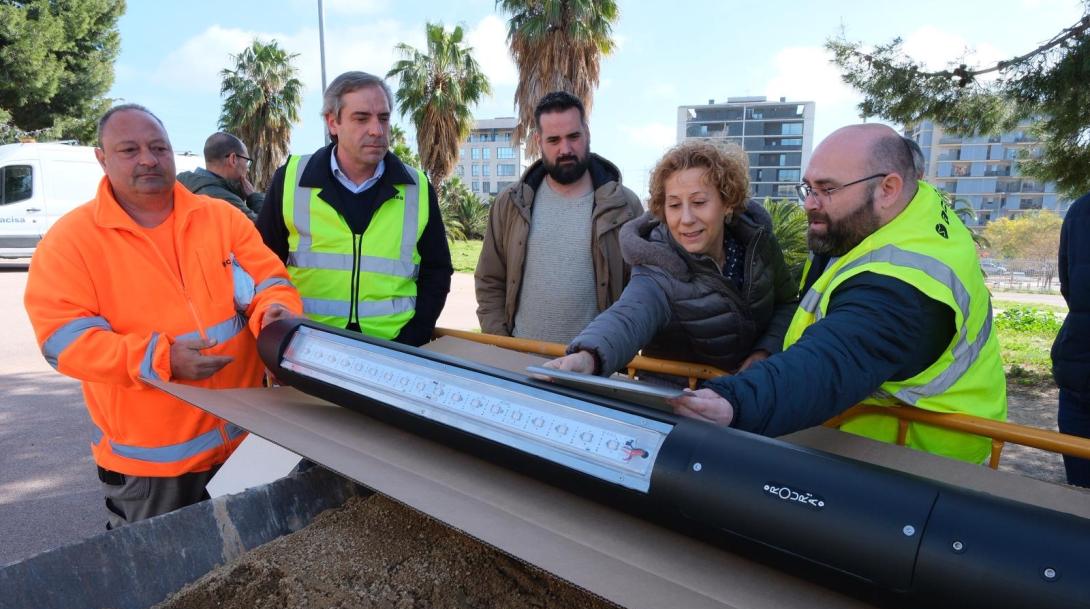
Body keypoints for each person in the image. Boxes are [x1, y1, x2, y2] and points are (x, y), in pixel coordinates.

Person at [24, 104, 302, 528]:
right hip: (153, 469)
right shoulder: (71, 242)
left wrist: (276, 316)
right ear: (102, 158)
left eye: (159, 147)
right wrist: (162, 359)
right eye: (129, 149)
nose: (148, 159)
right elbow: (63, 342)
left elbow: (271, 283)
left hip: (247, 437)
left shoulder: (222, 219)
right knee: (170, 580)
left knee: (252, 560)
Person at [671, 124, 1007, 465]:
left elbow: (831, 361)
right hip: (871, 450)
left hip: (922, 467)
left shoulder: (906, 285)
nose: (810, 204)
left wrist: (735, 400)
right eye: (808, 188)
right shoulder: (888, 219)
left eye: (827, 189)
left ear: (889, 188)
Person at [544, 141, 796, 377]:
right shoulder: (657, 263)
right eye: (674, 205)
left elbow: (787, 304)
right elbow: (628, 316)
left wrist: (765, 352)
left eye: (698, 202)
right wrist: (588, 357)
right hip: (678, 406)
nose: (686, 218)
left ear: (728, 202)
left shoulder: (759, 245)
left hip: (753, 399)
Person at [256, 71, 452, 346]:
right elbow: (261, 264)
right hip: (305, 347)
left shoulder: (416, 187)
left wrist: (412, 337)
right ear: (332, 122)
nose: (377, 130)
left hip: (392, 349)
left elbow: (437, 271)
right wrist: (279, 326)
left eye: (383, 118)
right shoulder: (291, 179)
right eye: (362, 118)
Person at [474, 91, 643, 344]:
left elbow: (640, 293)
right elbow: (489, 280)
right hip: (518, 365)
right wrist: (502, 345)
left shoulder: (624, 206)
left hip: (594, 370)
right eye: (554, 140)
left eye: (573, 136)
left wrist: (608, 351)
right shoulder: (510, 204)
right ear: (538, 141)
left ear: (587, 133)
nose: (565, 149)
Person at [1051, 190, 1090, 486]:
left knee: (1080, 495)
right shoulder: (1080, 211)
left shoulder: (1080, 209)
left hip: (1079, 364)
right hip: (1078, 373)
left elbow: (1070, 288)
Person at [178, 131, 265, 222]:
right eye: (246, 161)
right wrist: (253, 196)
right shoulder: (224, 199)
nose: (247, 168)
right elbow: (264, 229)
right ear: (233, 159)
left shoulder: (182, 184)